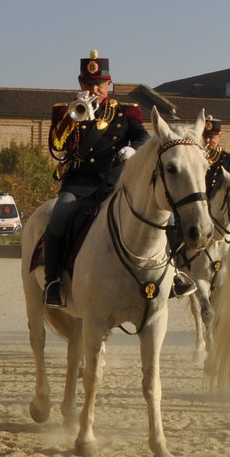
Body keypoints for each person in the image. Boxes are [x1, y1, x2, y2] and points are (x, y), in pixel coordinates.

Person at [43, 51, 149, 306]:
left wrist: (133, 149)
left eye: (99, 84)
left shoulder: (126, 112)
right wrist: (73, 115)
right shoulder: (66, 111)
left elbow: (144, 137)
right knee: (58, 219)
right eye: (89, 84)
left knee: (154, 214)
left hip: (117, 183)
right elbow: (57, 144)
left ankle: (171, 274)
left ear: (108, 84)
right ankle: (53, 281)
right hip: (80, 184)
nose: (95, 89)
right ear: (80, 84)